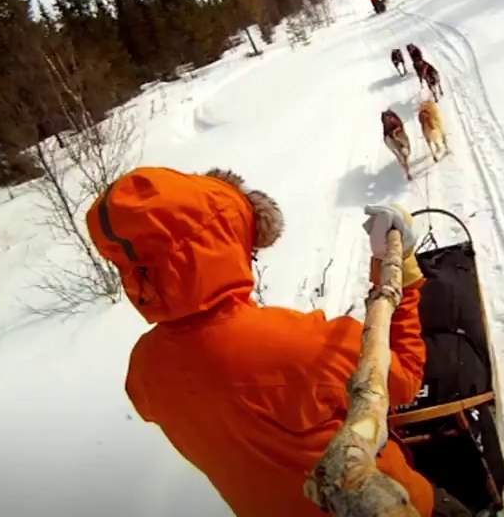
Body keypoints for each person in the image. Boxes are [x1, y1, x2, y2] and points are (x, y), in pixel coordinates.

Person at [87, 167, 465, 516]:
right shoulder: (308, 346)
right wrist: (403, 273)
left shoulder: (143, 372)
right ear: (221, 244)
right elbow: (403, 379)